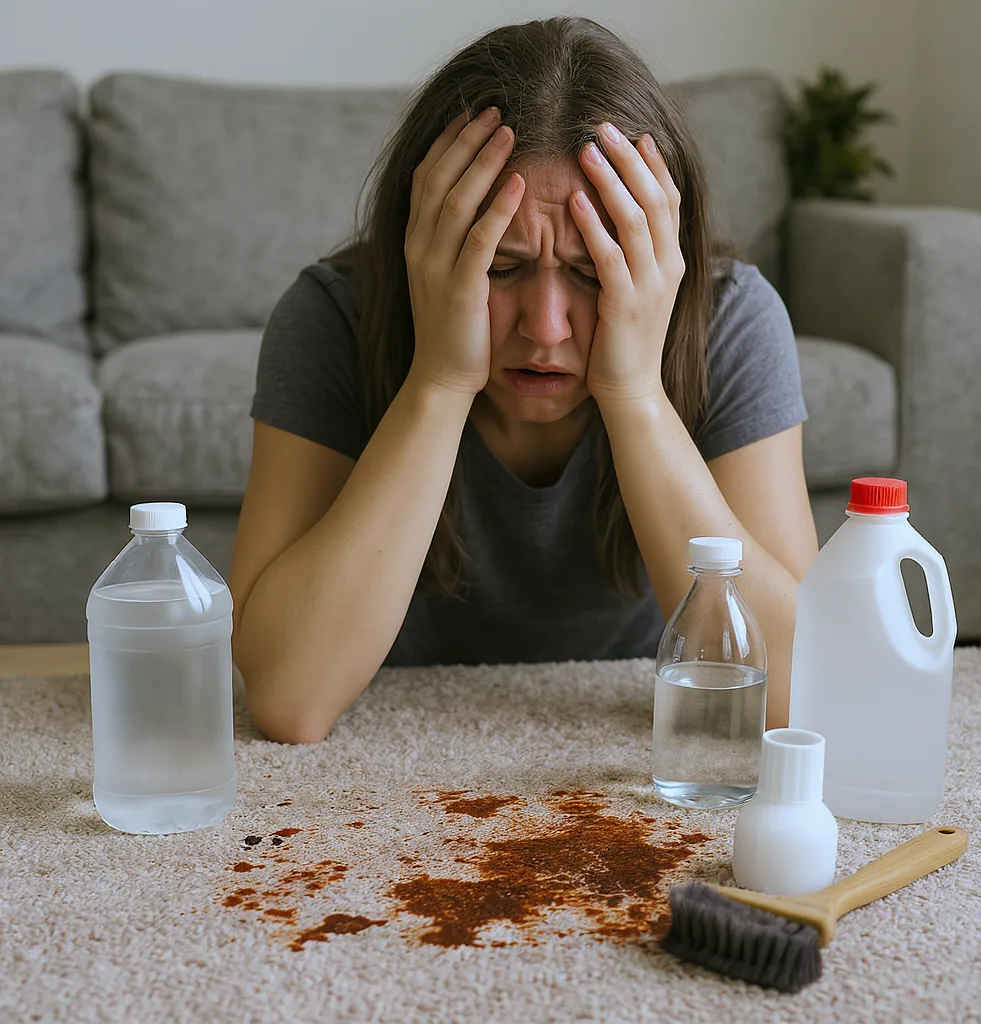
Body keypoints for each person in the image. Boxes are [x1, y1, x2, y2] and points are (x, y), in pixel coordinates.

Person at [229, 16, 820, 745]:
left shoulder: (729, 318)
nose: (545, 327)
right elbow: (290, 701)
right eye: (501, 267)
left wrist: (634, 391)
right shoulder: (331, 315)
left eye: (590, 272)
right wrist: (439, 381)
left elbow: (798, 699)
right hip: (401, 746)